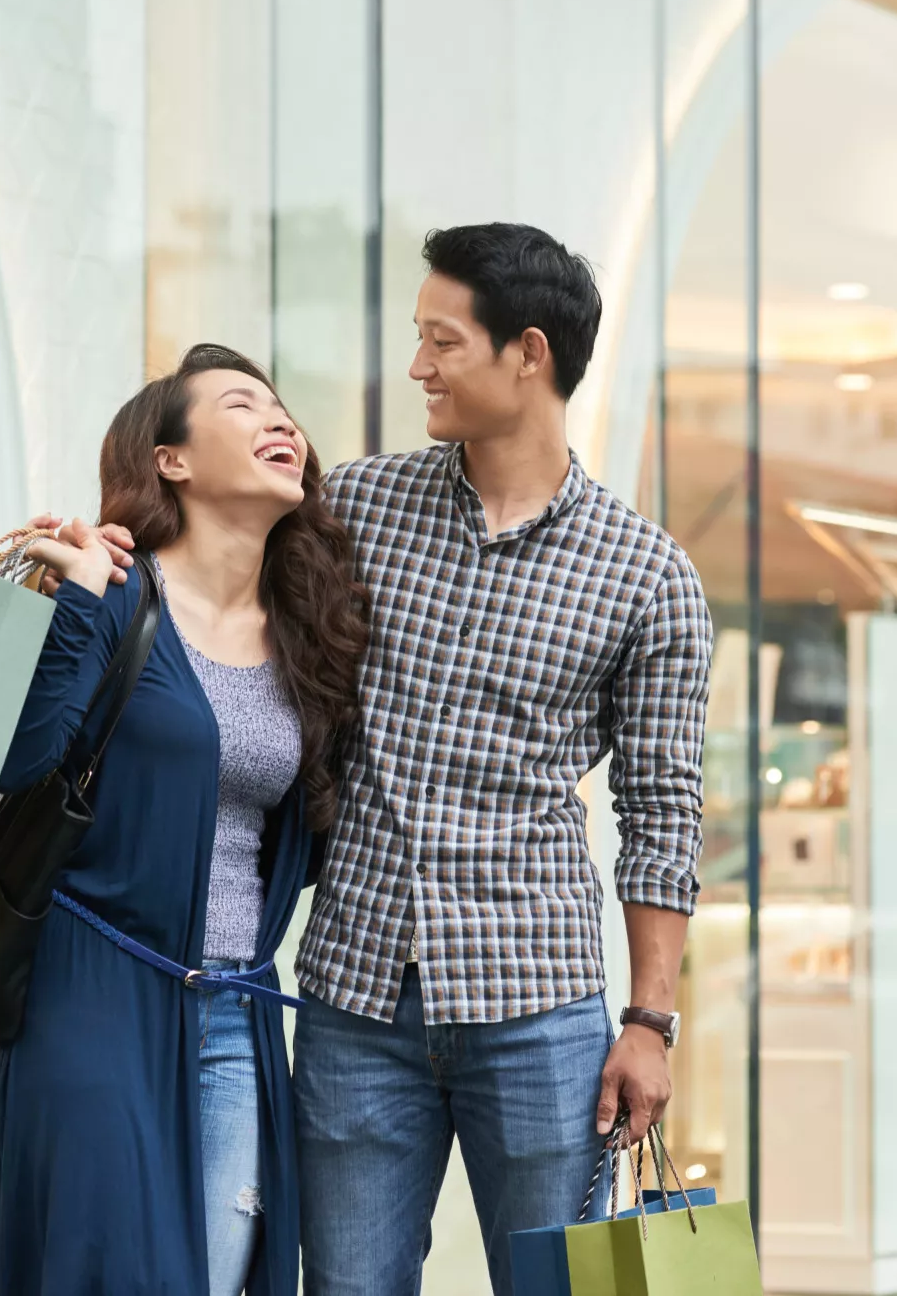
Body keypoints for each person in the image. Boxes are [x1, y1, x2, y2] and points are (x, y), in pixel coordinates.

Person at [292, 223, 713, 1295]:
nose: (417, 366)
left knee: (559, 1289)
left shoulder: (647, 576)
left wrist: (650, 1022)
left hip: (538, 1012)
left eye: (443, 341)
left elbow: (661, 816)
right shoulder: (357, 507)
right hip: (357, 999)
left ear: (527, 353)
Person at [0, 344, 368, 1296]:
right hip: (91, 994)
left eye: (283, 409)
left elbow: (295, 846)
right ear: (171, 459)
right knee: (108, 1267)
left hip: (237, 1006)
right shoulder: (114, 594)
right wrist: (70, 607)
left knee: (219, 1274)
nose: (281, 422)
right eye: (242, 405)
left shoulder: (305, 629)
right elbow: (16, 762)